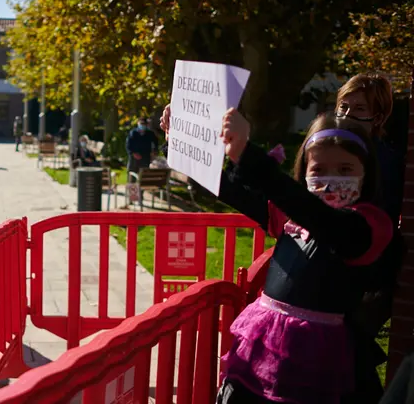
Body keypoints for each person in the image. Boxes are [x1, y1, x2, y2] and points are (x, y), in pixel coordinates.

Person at [162, 110, 392, 403]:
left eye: (345, 170)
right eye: (318, 170)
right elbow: (230, 191)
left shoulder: (367, 226)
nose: (331, 181)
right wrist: (181, 146)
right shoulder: (290, 217)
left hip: (317, 361)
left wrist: (249, 155)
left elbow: (322, 220)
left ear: (366, 172)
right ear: (304, 171)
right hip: (262, 348)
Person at [333, 73, 403, 404]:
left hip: (367, 279)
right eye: (342, 106)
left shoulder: (384, 161)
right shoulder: (333, 149)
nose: (345, 114)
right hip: (340, 273)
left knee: (348, 354)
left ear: (378, 116)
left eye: (357, 108)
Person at [126, 117, 160, 182]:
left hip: (145, 158)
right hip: (134, 158)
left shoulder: (150, 133)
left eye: (144, 124)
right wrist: (133, 153)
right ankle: (131, 191)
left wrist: (154, 152)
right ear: (138, 123)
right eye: (141, 123)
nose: (142, 125)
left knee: (143, 176)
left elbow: (156, 143)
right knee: (131, 176)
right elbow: (128, 145)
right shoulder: (133, 133)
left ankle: (141, 191)